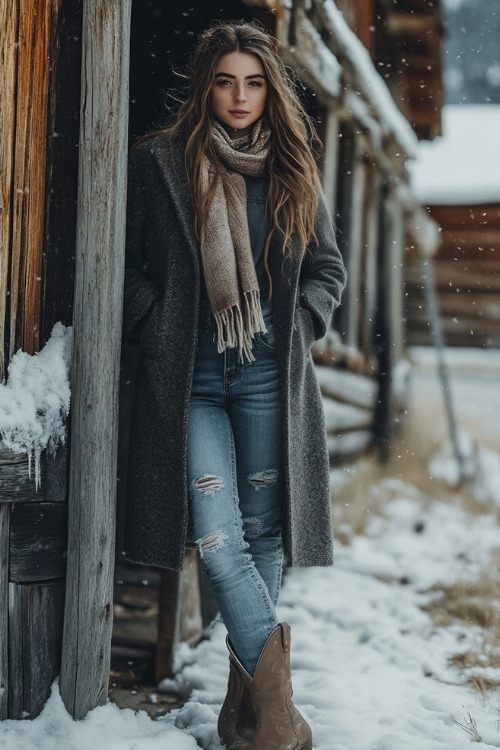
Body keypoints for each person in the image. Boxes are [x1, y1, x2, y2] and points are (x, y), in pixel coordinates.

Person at [123, 20, 346, 750]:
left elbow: (326, 270)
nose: (240, 96)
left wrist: (301, 325)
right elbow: (117, 262)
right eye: (225, 80)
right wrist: (155, 321)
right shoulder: (159, 162)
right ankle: (280, 715)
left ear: (269, 88)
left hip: (266, 382)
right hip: (189, 379)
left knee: (263, 536)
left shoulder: (293, 168)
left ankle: (241, 711)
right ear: (206, 86)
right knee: (219, 541)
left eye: (253, 81)